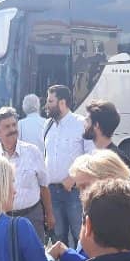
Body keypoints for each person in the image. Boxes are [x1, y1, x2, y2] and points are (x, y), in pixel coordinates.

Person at [48, 150, 130, 261]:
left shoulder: (125, 221)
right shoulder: (105, 213)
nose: (81, 195)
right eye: (79, 188)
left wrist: (65, 253)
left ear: (109, 181)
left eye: (86, 186)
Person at [0, 106, 55, 242]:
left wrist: (49, 214)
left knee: (35, 253)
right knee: (8, 254)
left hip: (32, 217)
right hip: (4, 219)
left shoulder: (33, 152)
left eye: (14, 125)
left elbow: (44, 186)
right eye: (7, 127)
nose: (12, 129)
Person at [44, 85, 94, 248]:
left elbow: (91, 155)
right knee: (58, 238)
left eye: (50, 101)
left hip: (73, 192)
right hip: (52, 191)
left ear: (62, 102)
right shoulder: (48, 125)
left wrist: (73, 178)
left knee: (80, 235)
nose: (46, 105)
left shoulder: (81, 123)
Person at [83, 99, 130, 201]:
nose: (84, 124)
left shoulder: (111, 160)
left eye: (87, 120)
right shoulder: (110, 154)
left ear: (96, 125)